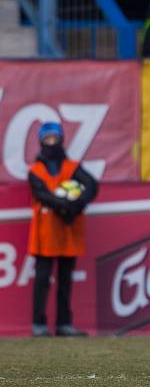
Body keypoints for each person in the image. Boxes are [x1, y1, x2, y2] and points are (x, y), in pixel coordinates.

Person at [28, 122, 98, 337]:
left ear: (61, 140)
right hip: (46, 231)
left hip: (69, 229)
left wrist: (77, 205)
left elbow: (92, 185)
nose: (51, 142)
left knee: (65, 279)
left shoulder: (72, 167)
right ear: (41, 141)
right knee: (42, 278)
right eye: (47, 139)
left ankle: (64, 324)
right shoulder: (36, 170)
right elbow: (42, 194)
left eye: (54, 138)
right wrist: (64, 205)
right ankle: (39, 324)